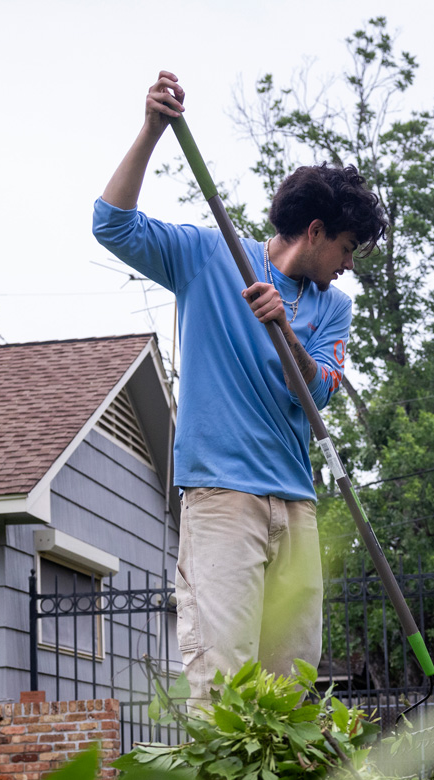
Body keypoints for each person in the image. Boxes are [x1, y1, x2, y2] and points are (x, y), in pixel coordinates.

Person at [92, 72, 387, 698]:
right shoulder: (207, 257)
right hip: (222, 497)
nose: (349, 262)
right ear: (313, 231)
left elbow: (318, 396)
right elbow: (111, 225)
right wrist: (150, 131)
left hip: (295, 501)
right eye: (346, 246)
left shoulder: (332, 307)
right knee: (224, 679)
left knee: (292, 684)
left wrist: (287, 335)